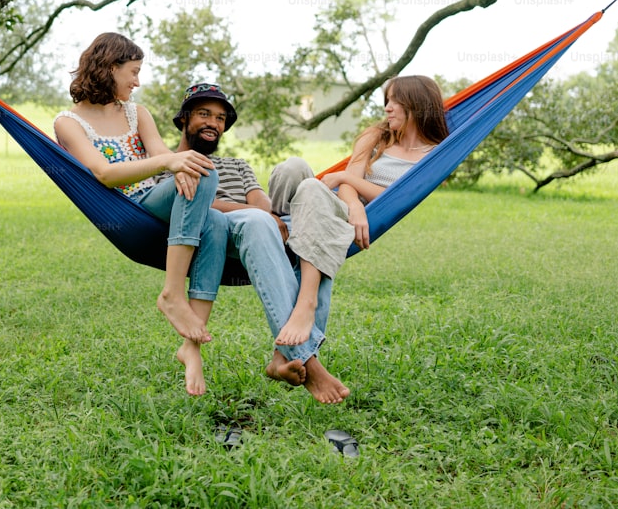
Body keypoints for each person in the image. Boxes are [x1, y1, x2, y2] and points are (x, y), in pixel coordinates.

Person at [54, 35, 227, 392]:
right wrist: (170, 162)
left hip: (158, 197)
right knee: (202, 171)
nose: (137, 81)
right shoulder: (68, 123)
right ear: (109, 68)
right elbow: (103, 173)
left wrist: (177, 166)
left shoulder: (136, 112)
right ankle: (172, 293)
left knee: (217, 218)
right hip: (126, 207)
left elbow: (162, 152)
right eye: (133, 72)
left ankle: (191, 348)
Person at [168, 82, 351, 404]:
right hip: (219, 230)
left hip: (263, 226)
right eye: (204, 114)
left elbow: (261, 202)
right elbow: (193, 205)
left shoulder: (238, 165)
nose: (214, 123)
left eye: (221, 118)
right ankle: (305, 358)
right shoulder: (169, 162)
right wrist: (258, 213)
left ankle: (283, 358)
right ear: (184, 118)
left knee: (303, 186)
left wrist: (271, 215)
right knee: (257, 220)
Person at [269, 75, 450, 348]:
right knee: (292, 167)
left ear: (417, 105)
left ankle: (307, 303)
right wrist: (353, 204)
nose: (387, 108)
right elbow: (347, 183)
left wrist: (346, 180)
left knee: (310, 187)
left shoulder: (435, 156)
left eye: (395, 102)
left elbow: (400, 198)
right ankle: (273, 223)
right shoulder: (376, 135)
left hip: (334, 209)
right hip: (337, 205)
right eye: (386, 101)